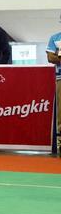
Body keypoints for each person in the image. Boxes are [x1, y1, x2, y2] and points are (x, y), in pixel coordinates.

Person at [46, 22, 61, 154]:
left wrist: (59, 56)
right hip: (60, 78)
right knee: (60, 113)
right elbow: (51, 57)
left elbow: (56, 57)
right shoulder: (55, 38)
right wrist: (57, 57)